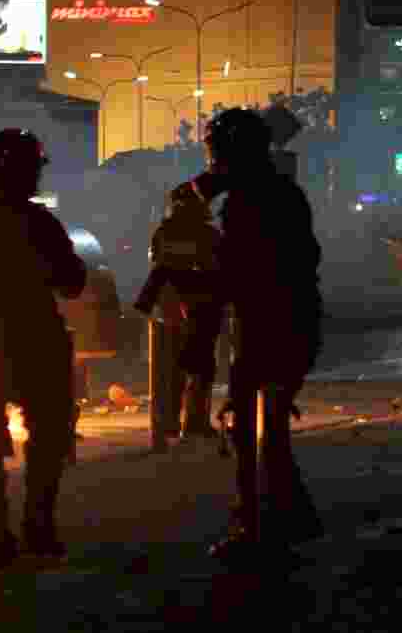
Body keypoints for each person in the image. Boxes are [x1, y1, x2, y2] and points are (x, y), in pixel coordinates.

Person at [186, 108, 325, 564]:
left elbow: (232, 274)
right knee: (273, 427)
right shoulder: (282, 191)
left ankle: (255, 523)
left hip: (268, 327)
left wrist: (200, 338)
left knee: (250, 428)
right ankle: (290, 513)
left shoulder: (249, 202)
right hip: (294, 324)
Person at [0, 129, 87, 570]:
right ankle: (38, 526)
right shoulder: (41, 224)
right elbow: (72, 281)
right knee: (48, 437)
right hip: (33, 341)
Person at [135, 186, 224, 440]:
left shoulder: (164, 233)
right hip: (198, 309)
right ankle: (193, 422)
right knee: (199, 368)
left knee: (173, 370)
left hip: (171, 310)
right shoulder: (207, 235)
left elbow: (159, 266)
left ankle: (171, 422)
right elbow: (215, 269)